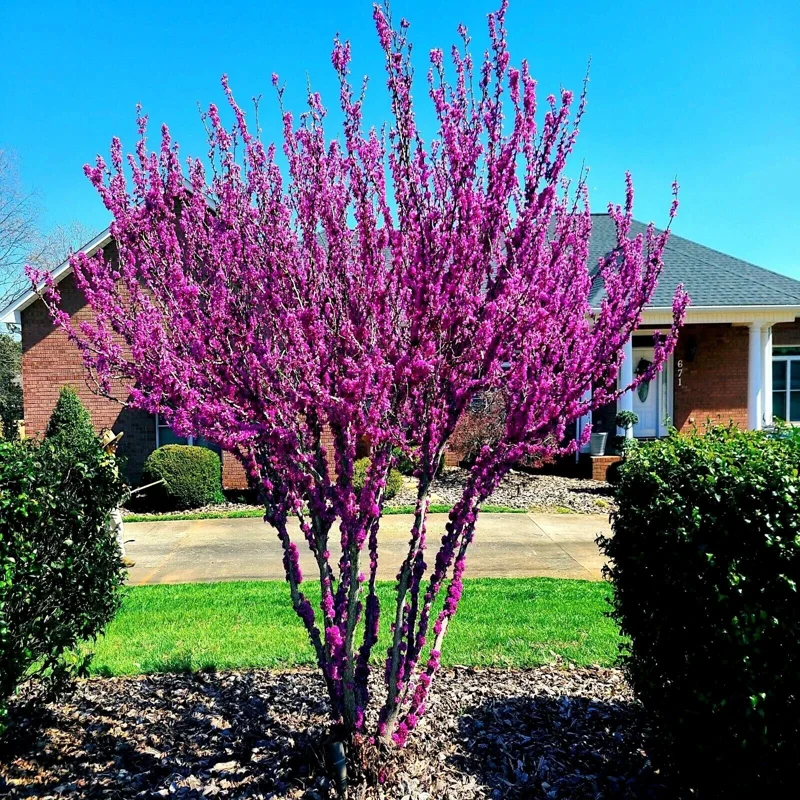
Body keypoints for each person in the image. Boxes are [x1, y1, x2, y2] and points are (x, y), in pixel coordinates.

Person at [100, 428, 135, 568]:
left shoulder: (111, 460)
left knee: (110, 528)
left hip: (111, 499)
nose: (115, 446)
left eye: (116, 444)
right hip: (105, 500)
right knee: (116, 525)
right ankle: (119, 556)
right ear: (106, 446)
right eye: (113, 444)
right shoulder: (103, 462)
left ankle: (109, 556)